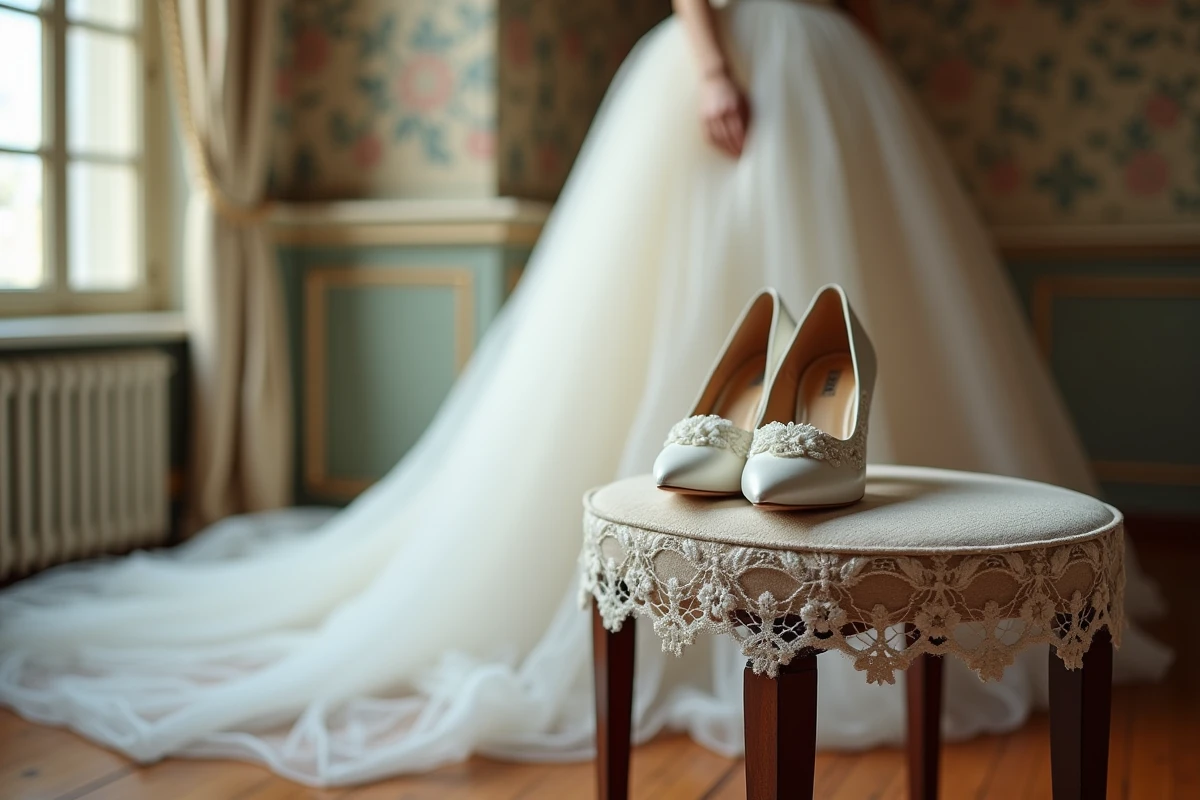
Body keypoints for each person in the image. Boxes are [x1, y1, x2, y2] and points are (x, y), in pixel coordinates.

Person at [0, 0, 1171, 785]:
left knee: (853, 264)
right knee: (677, 290)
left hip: (827, 61)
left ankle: (821, 414)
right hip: (732, 56)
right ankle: (750, 434)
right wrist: (712, 60)